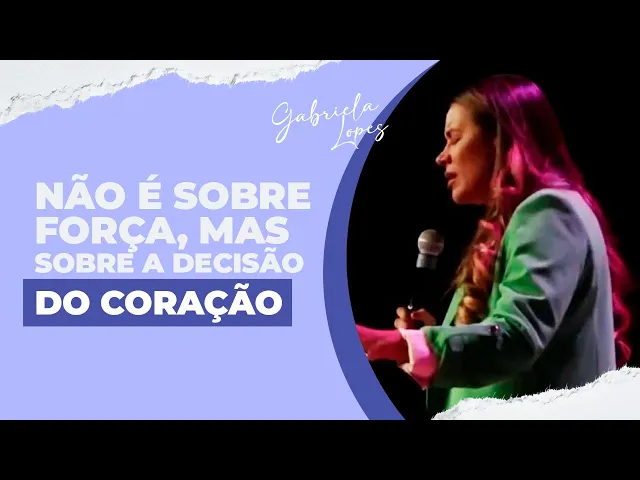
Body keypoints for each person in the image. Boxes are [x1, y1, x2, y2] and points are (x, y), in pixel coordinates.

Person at [357, 74, 634, 412]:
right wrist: (434, 336)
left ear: (501, 138)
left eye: (454, 138)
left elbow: (517, 338)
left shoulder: (549, 212)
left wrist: (394, 343)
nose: (441, 157)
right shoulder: (526, 220)